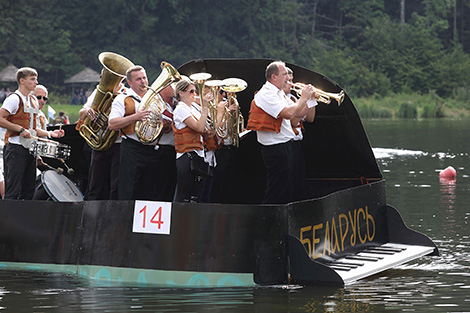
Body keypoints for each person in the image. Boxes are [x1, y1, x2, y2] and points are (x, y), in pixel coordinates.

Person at [246, 61, 315, 204]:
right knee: (277, 190)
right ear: (273, 77)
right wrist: (303, 97)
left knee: (288, 188)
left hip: (284, 145)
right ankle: (269, 221)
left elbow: (299, 112)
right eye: (284, 75)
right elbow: (289, 113)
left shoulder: (279, 94)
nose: (288, 79)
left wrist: (311, 100)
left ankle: (282, 220)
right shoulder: (266, 94)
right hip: (274, 148)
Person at [0, 67, 64, 200]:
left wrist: (52, 134)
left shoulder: (33, 100)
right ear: (22, 81)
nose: (36, 82)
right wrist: (19, 129)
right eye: (32, 79)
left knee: (28, 191)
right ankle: (7, 220)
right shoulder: (14, 99)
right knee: (12, 190)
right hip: (16, 148)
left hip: (31, 149)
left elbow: (33, 129)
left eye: (36, 79)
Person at [108, 65, 161, 201]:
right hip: (132, 148)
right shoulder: (122, 99)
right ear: (130, 83)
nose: (143, 81)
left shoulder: (156, 99)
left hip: (153, 149)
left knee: (151, 191)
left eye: (144, 78)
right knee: (128, 190)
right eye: (138, 79)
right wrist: (135, 117)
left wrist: (164, 124)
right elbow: (112, 124)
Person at [78, 82, 124, 200]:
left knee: (116, 184)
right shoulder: (98, 92)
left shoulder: (126, 94)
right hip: (99, 143)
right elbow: (81, 114)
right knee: (95, 183)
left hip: (118, 143)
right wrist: (88, 110)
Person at [172, 77, 212, 202]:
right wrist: (205, 107)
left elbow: (206, 130)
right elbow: (199, 127)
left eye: (195, 91)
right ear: (181, 93)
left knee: (194, 196)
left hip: (197, 154)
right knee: (184, 195)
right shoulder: (181, 109)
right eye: (191, 91)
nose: (194, 95)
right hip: (186, 156)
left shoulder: (192, 109)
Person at [284, 67, 316, 201]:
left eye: (292, 80)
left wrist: (312, 101)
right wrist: (305, 100)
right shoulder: (282, 100)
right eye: (287, 81)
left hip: (296, 144)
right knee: (288, 181)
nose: (291, 84)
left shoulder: (293, 98)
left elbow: (310, 118)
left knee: (299, 179)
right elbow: (293, 121)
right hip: (286, 144)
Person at [152, 84, 178, 201]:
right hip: (161, 148)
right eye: (171, 86)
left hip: (174, 149)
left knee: (170, 187)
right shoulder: (156, 103)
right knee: (160, 186)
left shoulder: (176, 103)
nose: (174, 88)